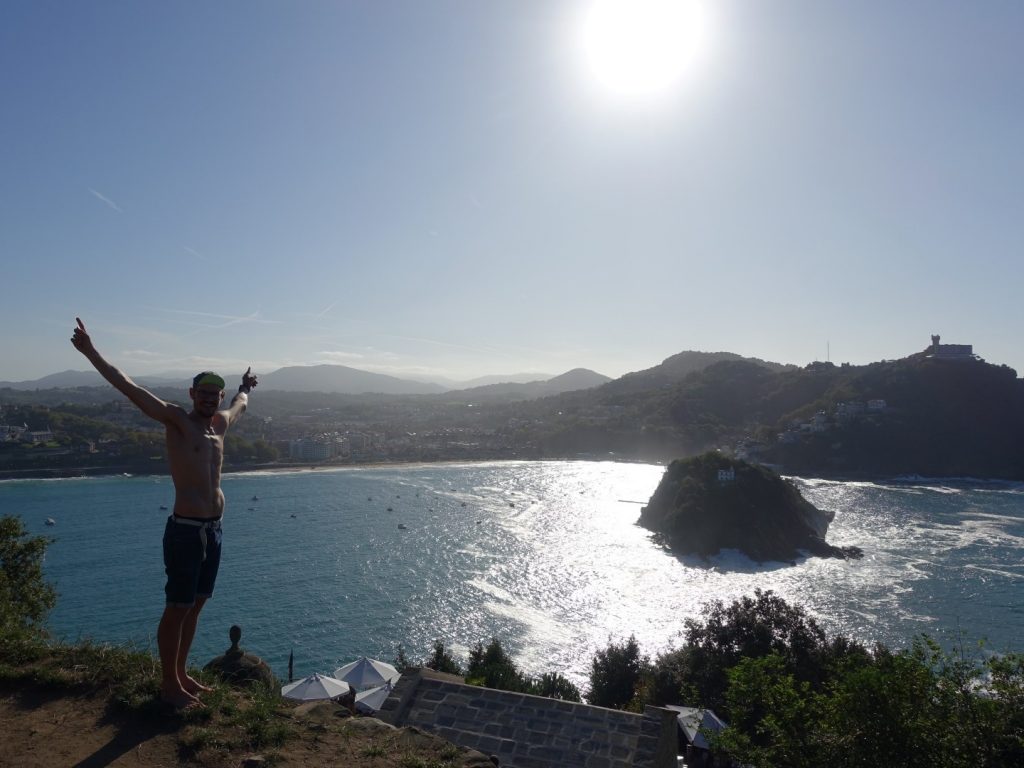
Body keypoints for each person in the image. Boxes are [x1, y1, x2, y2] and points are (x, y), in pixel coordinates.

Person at [71, 317, 257, 709]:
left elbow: (242, 404)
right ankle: (168, 685)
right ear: (192, 393)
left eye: (216, 394)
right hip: (186, 530)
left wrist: (243, 388)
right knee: (177, 608)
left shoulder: (220, 425)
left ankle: (182, 673)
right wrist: (91, 352)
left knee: (197, 604)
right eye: (204, 392)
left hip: (215, 529)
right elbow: (129, 387)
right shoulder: (176, 420)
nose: (210, 398)